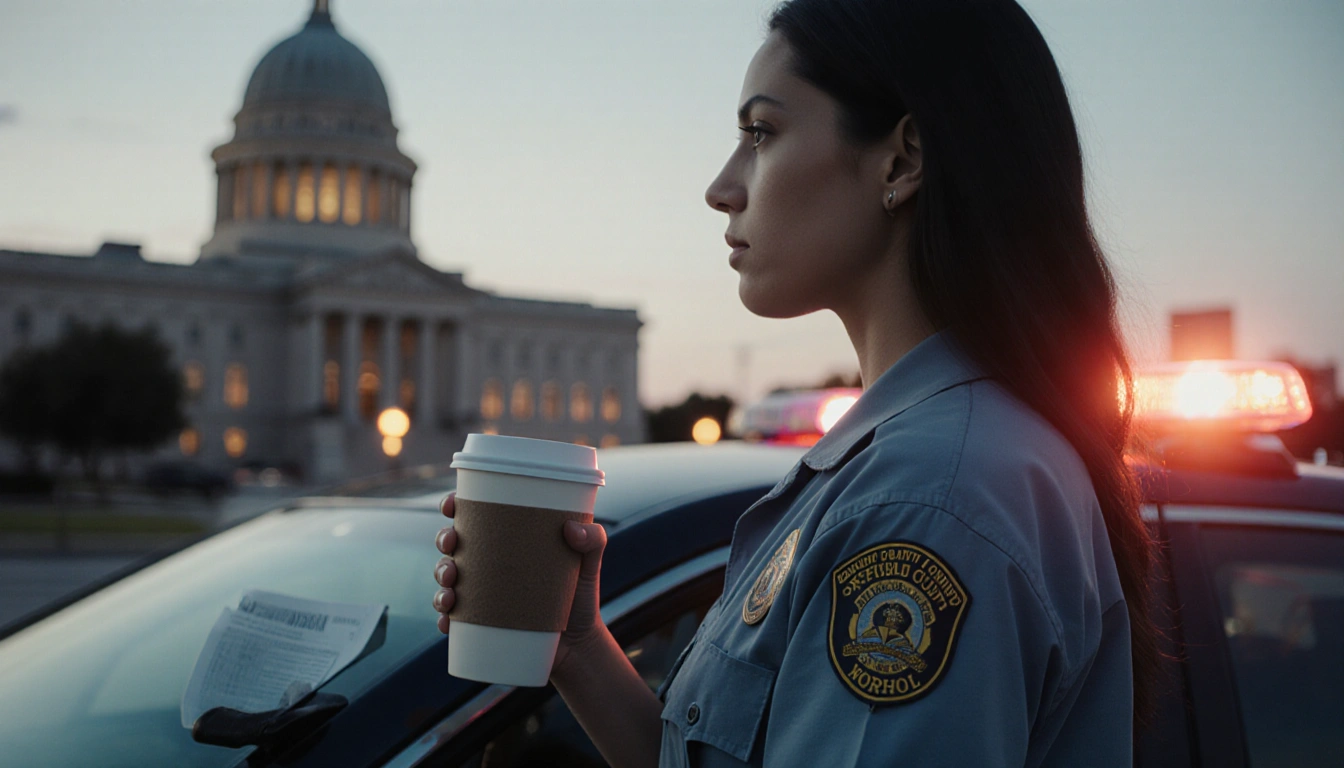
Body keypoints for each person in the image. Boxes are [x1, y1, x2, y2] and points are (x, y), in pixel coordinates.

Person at [433, 0, 1158, 764]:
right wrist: (575, 643)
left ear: (902, 161)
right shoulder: (920, 461)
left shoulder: (928, 497)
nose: (721, 187)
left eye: (761, 134)